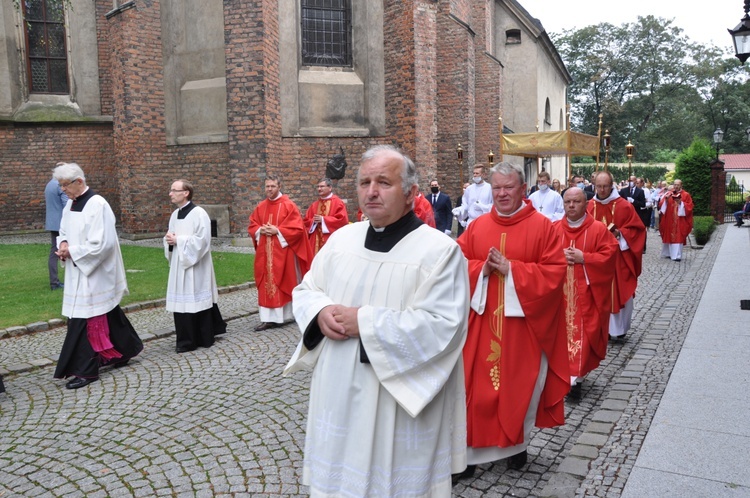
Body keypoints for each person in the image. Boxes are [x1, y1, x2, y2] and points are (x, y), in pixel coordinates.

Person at [284, 144, 469, 496]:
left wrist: (364, 323)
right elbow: (306, 289)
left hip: (395, 403)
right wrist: (321, 311)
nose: (371, 191)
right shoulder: (341, 241)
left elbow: (443, 326)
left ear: (412, 193)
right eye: (364, 182)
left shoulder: (440, 252)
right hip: (338, 390)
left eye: (384, 182)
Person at [456, 162, 569, 477]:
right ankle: (468, 454)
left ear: (523, 189)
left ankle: (516, 446)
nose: (502, 194)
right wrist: (482, 270)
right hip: (480, 324)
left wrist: (513, 270)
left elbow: (554, 272)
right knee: (474, 390)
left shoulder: (543, 227)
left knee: (517, 389)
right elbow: (455, 264)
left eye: (509, 187)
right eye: (497, 188)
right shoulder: (477, 227)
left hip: (523, 326)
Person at [52, 162, 143, 389]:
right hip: (78, 269)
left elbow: (103, 244)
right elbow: (63, 230)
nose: (63, 190)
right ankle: (124, 350)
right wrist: (63, 243)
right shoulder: (69, 205)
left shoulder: (97, 204)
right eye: (60, 185)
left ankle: (86, 370)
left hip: (95, 270)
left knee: (86, 319)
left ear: (79, 181)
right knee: (106, 312)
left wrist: (72, 251)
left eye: (65, 185)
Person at [554, 188, 618, 399]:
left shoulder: (598, 229)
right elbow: (541, 257)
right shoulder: (553, 229)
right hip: (559, 297)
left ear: (586, 204)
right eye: (567, 202)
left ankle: (576, 381)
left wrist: (585, 258)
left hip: (587, 294)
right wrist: (557, 257)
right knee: (559, 335)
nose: (571, 206)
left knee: (583, 334)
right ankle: (563, 377)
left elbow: (610, 255)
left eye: (576, 202)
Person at [164, 179, 227, 353]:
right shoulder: (174, 215)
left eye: (174, 190)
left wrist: (179, 240)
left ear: (186, 193)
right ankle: (186, 339)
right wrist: (169, 240)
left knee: (197, 299)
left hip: (196, 265)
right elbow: (171, 235)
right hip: (180, 263)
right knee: (183, 301)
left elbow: (203, 241)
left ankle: (202, 337)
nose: (170, 193)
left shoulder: (199, 213)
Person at [248, 175, 312, 331]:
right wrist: (259, 230)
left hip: (283, 253)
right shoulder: (261, 206)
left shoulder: (288, 205)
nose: (269, 189)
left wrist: (278, 230)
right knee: (266, 282)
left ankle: (284, 315)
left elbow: (297, 229)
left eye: (272, 186)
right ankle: (267, 318)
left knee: (283, 280)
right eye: (267, 186)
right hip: (265, 252)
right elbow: (252, 225)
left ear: (279, 186)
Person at [588, 170, 646, 340]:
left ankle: (619, 329)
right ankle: (601, 329)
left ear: (612, 185)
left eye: (605, 186)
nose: (602, 190)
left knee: (620, 290)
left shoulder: (624, 206)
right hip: (596, 259)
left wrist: (620, 234)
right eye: (599, 186)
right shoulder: (589, 206)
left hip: (619, 258)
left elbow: (637, 230)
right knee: (597, 291)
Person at [303, 178, 349, 255]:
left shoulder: (338, 203)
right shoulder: (314, 205)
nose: (319, 189)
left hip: (331, 239)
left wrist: (324, 220)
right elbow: (306, 221)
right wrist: (313, 222)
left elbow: (342, 220)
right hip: (315, 240)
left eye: (322, 186)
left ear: (330, 188)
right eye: (318, 187)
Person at [658, 179, 694, 261]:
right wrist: (666, 200)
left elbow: (690, 206)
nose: (676, 186)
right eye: (675, 184)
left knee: (678, 236)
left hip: (679, 220)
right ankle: (668, 253)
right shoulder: (669, 193)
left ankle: (677, 255)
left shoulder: (685, 195)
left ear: (681, 185)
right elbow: (661, 205)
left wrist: (681, 202)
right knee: (668, 235)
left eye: (678, 185)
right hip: (669, 219)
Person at [45, 169, 69, 290]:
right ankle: (54, 282)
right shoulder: (59, 185)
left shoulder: (49, 184)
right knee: (57, 251)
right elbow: (67, 204)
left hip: (52, 222)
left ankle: (54, 281)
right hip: (60, 223)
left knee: (54, 251)